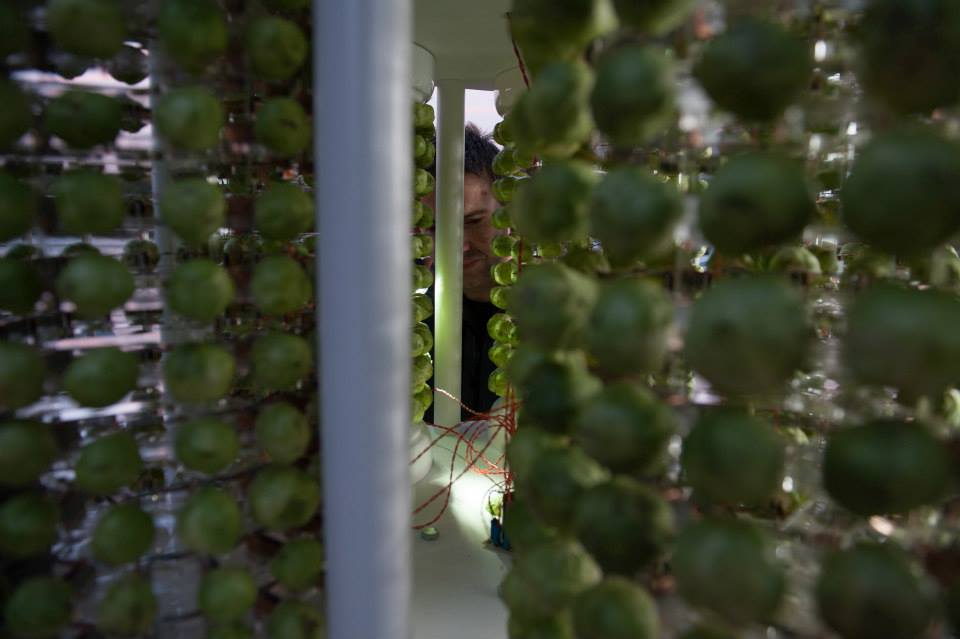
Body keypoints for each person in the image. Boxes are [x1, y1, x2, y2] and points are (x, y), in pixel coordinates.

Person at [423, 123, 502, 422]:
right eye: (435, 229)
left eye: (473, 222)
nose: (459, 246)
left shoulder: (559, 321)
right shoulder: (410, 328)